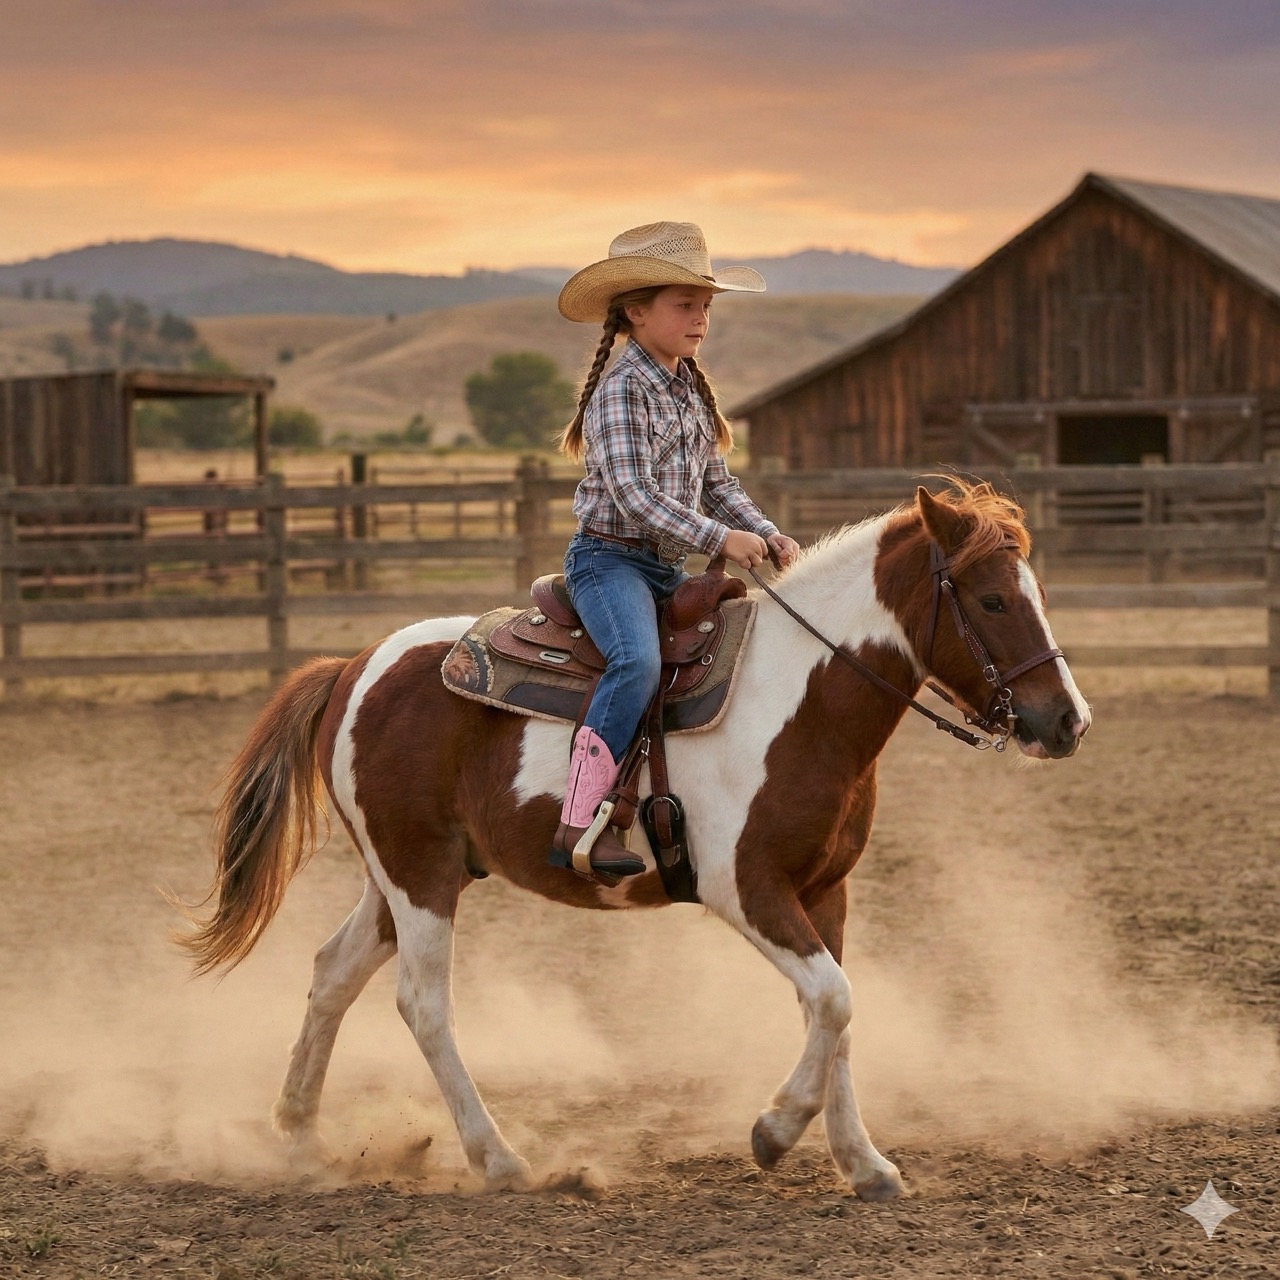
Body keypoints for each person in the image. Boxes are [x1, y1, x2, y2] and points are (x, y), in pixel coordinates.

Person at [549, 221, 800, 879]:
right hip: (609, 561)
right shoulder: (622, 390)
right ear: (637, 311)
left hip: (665, 566)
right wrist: (722, 538)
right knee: (636, 662)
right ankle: (581, 819)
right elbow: (634, 497)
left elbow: (718, 485)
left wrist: (767, 531)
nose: (700, 319)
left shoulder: (686, 386)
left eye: (706, 306)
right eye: (685, 305)